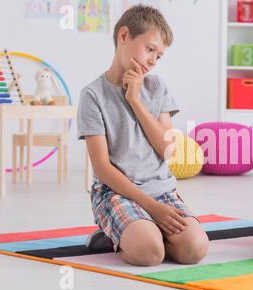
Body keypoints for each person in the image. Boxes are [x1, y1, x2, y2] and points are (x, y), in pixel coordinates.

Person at [77, 5, 209, 266]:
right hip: (117, 192)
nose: (152, 60)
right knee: (150, 254)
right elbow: (102, 167)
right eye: (150, 49)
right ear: (123, 36)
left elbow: (168, 150)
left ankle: (141, 231)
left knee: (194, 250)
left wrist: (135, 100)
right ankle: (119, 235)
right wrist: (152, 208)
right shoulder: (92, 95)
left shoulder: (157, 87)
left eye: (158, 56)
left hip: (162, 191)